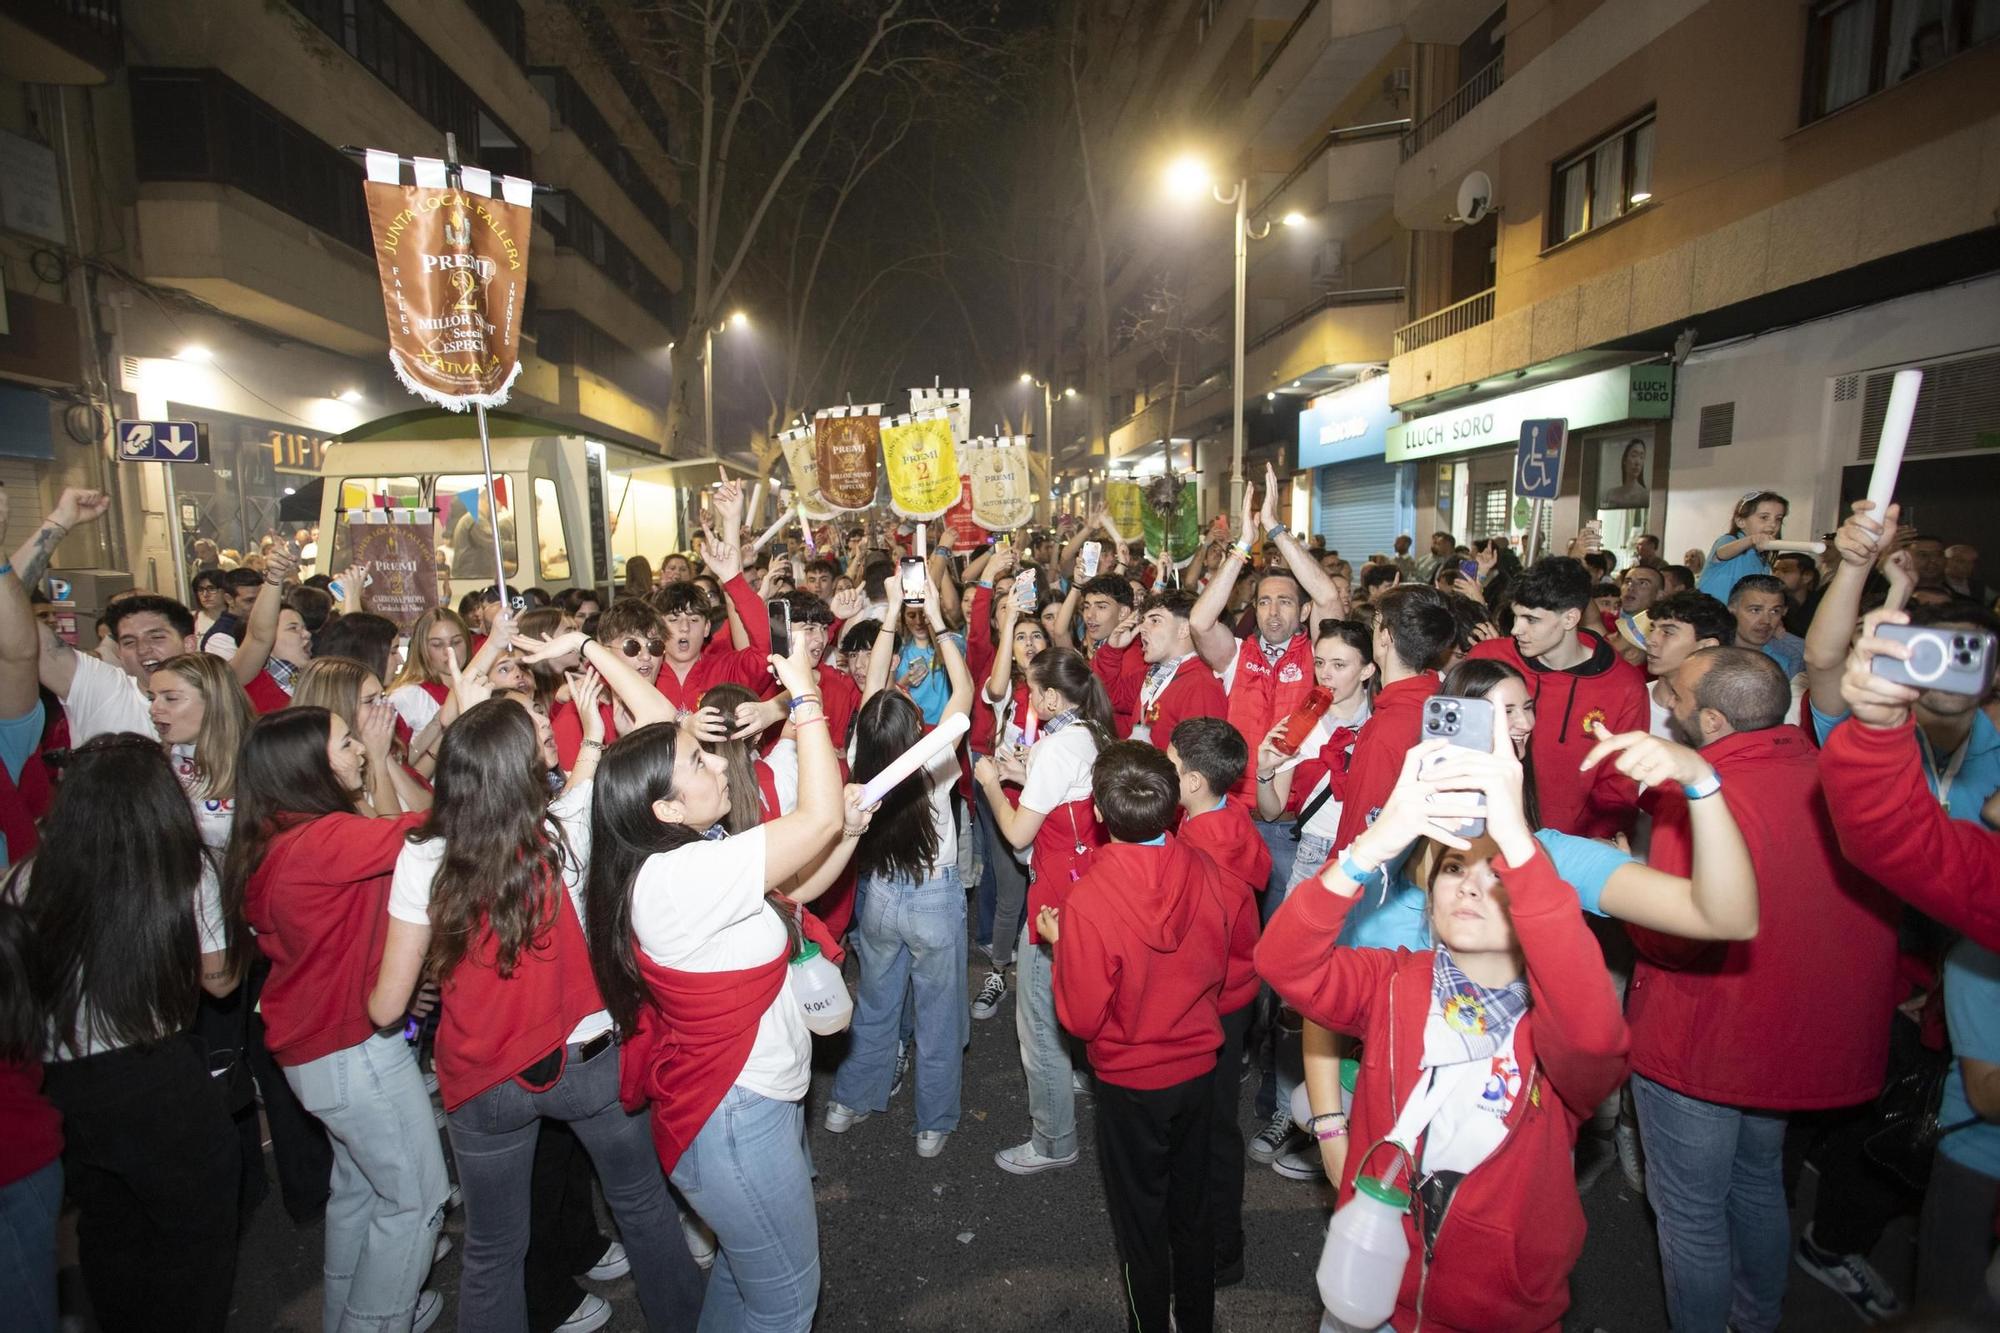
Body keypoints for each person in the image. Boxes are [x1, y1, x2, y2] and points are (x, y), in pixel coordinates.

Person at [1255, 726, 1630, 1332]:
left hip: (1498, 1317)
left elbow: (1594, 1043)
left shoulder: (1553, 1026)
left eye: (1500, 875)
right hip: (1369, 1293)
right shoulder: (1394, 982)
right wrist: (1375, 843)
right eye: (1455, 867)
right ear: (1431, 894)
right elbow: (1283, 962)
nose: (1473, 885)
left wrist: (1521, 847)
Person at [371, 678, 703, 1333]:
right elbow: (604, 762)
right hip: (589, 1064)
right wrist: (593, 724)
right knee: (642, 1207)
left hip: (480, 1080)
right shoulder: (568, 827)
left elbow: (386, 1008)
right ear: (526, 766)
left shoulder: (421, 854)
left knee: (493, 1249)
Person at [583, 635, 860, 1333]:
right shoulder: (678, 879)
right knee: (787, 1300)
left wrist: (847, 831)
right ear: (666, 808)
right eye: (697, 761)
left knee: (744, 1277)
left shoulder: (689, 849)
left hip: (744, 1104)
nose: (714, 762)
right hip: (737, 1117)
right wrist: (803, 704)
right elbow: (813, 818)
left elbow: (793, 892)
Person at [1627, 647, 1900, 1333]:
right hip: (1795, 1039)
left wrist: (1623, 890)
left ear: (1713, 720)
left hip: (1703, 1038)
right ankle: (1758, 1320)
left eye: (1677, 695)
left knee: (1691, 1214)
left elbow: (1671, 935)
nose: (1665, 696)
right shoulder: (1839, 774)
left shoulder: (1696, 789)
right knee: (1757, 1188)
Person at [225, 706, 449, 1332]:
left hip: (313, 1052)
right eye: (347, 743)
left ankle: (348, 1314)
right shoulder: (322, 840)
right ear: (306, 766)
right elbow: (434, 829)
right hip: (352, 1051)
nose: (359, 749)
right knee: (418, 1203)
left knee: (359, 1192)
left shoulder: (274, 834)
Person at [13, 733, 242, 1333]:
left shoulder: (26, 879)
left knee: (109, 1226)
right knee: (196, 1237)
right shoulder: (183, 870)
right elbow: (219, 983)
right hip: (154, 1077)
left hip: (59, 1083)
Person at [1039, 741, 1229, 1333]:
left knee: (1139, 1222)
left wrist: (1060, 943)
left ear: (1098, 812)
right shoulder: (1201, 867)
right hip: (1200, 1069)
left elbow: (1083, 1018)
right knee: (1193, 1213)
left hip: (1129, 1082)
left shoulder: (1089, 899)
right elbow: (1223, 961)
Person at [825, 570, 973, 1156]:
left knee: (878, 999)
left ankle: (849, 1101)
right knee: (937, 1014)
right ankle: (932, 1122)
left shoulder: (865, 752)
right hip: (933, 897)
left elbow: (872, 694)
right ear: (914, 725)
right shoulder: (932, 756)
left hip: (880, 895)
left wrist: (891, 611)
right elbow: (962, 689)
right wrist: (934, 616)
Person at [973, 647, 1114, 1177]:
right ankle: (1082, 1079)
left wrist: (992, 782)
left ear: (1054, 696)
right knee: (1078, 997)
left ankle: (1054, 1140)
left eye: (1034, 691)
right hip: (1088, 885)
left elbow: (1016, 834)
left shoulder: (1057, 747)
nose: (1031, 699)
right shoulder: (1094, 732)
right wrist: (1022, 770)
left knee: (1038, 1021)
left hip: (1055, 894)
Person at [1166, 718, 1269, 1290]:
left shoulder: (1203, 847)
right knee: (1211, 1122)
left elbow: (1199, 939)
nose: (1164, 766)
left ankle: (1220, 1249)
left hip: (1215, 999)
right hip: (1235, 989)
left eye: (1171, 763)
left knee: (1210, 1131)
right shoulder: (1227, 814)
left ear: (1197, 781)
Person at [1467, 556, 1647, 837]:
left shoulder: (1623, 685)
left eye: (1531, 619)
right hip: (1485, 835)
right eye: (1515, 616)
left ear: (1570, 618)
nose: (1516, 629)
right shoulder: (1489, 658)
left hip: (1572, 849)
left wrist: (1599, 848)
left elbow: (1619, 785)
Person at [1331, 584, 1456, 853]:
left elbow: (1361, 829)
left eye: (1375, 623)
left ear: (1386, 636)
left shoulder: (1388, 728)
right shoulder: (1440, 702)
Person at [1100, 589, 1228, 748]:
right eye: (1143, 620)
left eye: (1155, 621)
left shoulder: (1201, 685)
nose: (1142, 628)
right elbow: (1107, 697)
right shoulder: (1153, 674)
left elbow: (1198, 762)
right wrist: (1112, 650)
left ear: (1184, 629)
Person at [1641, 591, 1733, 738]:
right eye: (1652, 629)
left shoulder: (1727, 720)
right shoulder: (1628, 700)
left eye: (1667, 632)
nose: (1650, 640)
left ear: (1706, 646)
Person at [387, 607, 472, 738]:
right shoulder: (406, 697)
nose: (449, 651)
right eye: (437, 645)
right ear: (422, 649)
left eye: (456, 642)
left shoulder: (480, 687)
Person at [1696, 489, 1788, 603]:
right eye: (1764, 517)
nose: (1773, 524)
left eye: (1778, 518)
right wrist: (1750, 540)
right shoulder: (1729, 540)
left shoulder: (1762, 560)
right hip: (1709, 614)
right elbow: (1722, 553)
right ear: (1740, 521)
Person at [1728, 573, 1805, 678]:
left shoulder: (1789, 661)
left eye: (1774, 611)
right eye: (1755, 610)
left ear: (1784, 612)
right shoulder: (1708, 652)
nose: (1766, 621)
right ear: (1732, 609)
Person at [1604, 438, 1651, 508]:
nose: (1637, 462)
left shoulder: (1646, 496)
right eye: (1634, 456)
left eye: (1641, 457)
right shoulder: (1611, 494)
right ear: (1625, 460)